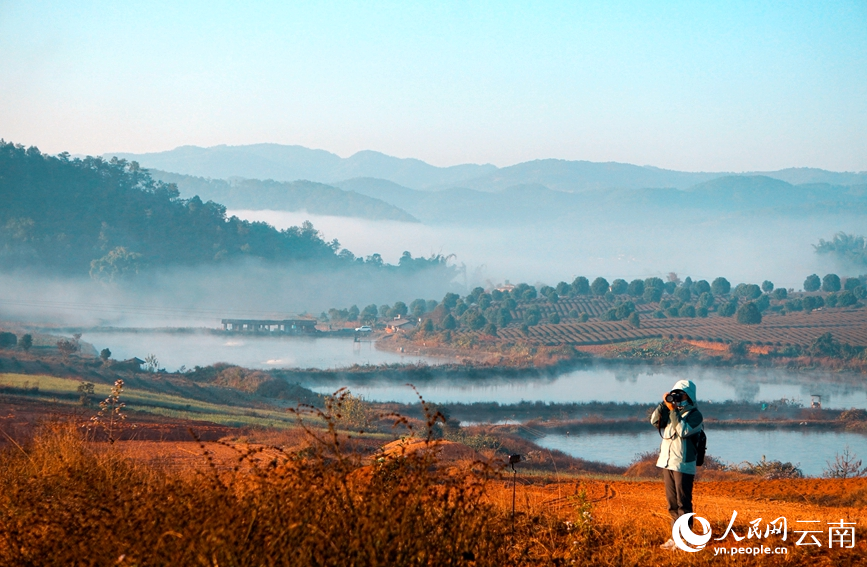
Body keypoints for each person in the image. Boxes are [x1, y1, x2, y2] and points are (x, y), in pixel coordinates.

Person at [650, 379, 704, 551]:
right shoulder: (672, 411)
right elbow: (654, 421)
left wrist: (673, 412)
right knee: (672, 504)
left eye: (680, 394)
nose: (677, 398)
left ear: (689, 396)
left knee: (683, 504)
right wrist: (664, 405)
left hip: (683, 465)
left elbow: (683, 431)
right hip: (668, 463)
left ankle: (686, 540)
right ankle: (675, 538)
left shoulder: (695, 415)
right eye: (675, 394)